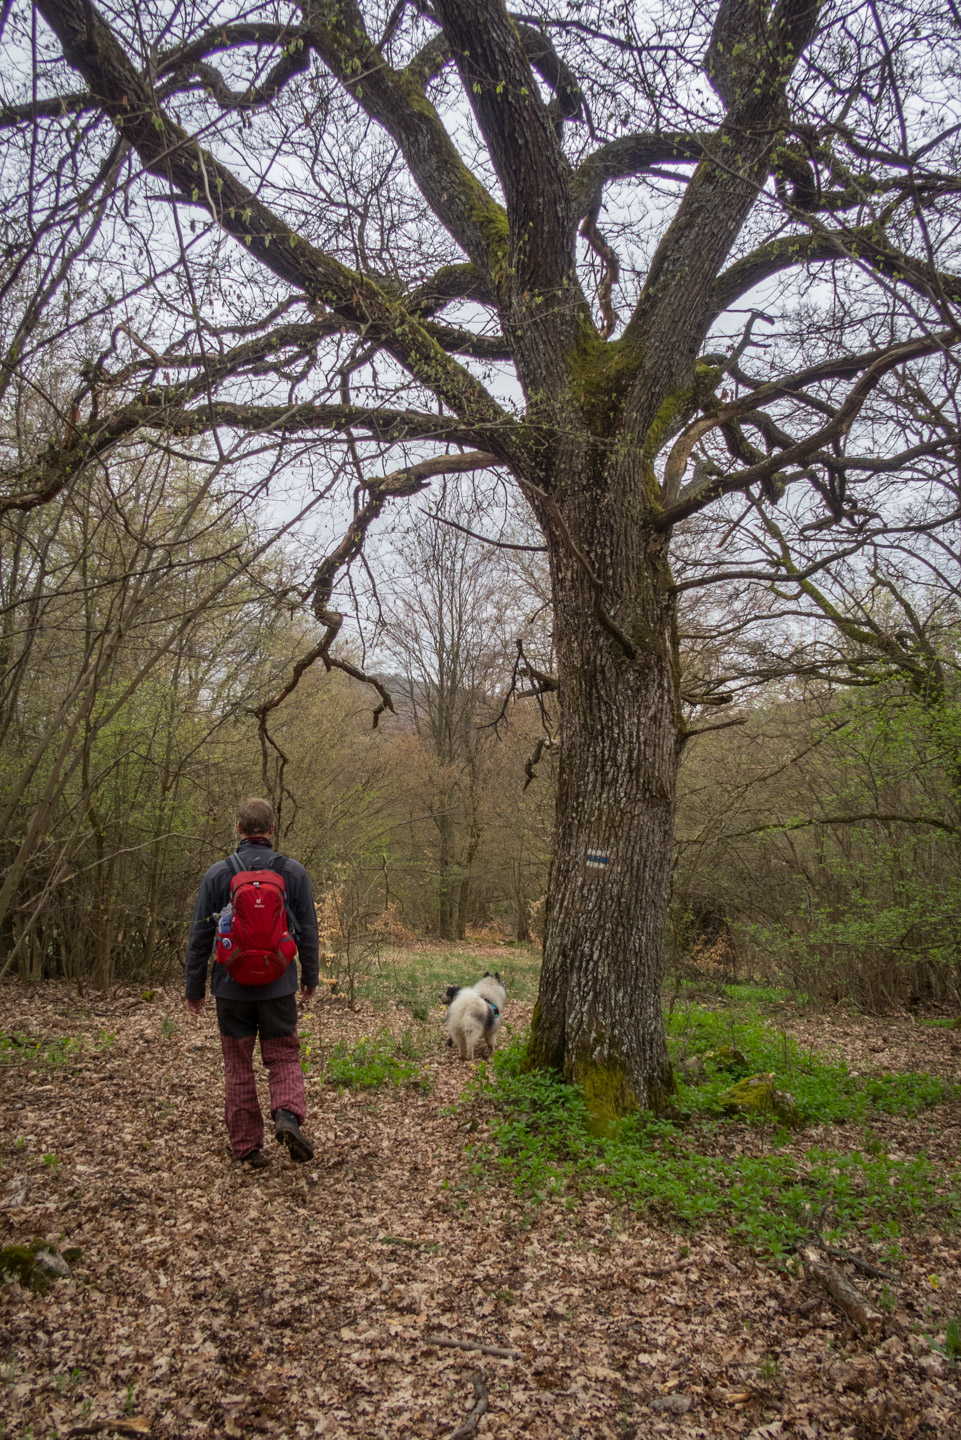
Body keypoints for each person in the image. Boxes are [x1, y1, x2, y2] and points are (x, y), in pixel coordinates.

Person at [185, 796, 319, 1167]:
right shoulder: (293, 873)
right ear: (272, 830)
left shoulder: (218, 874)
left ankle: (247, 1149)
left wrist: (194, 989)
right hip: (278, 984)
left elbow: (199, 936)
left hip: (231, 987)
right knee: (284, 1056)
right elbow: (307, 930)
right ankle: (287, 1116)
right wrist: (310, 976)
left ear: (239, 829)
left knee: (238, 1064)